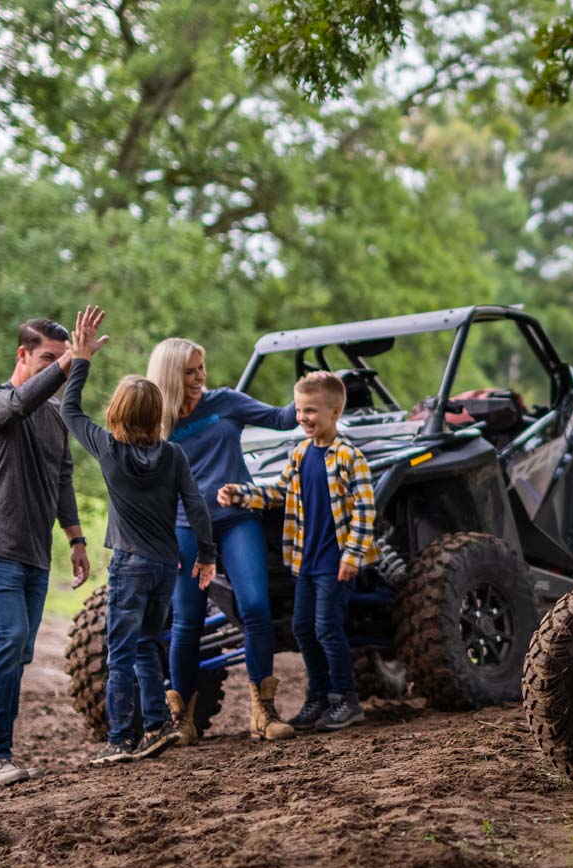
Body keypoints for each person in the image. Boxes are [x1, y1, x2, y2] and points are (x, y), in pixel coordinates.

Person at [60, 306, 218, 765]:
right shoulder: (173, 455)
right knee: (148, 646)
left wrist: (81, 358)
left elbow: (69, 410)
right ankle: (157, 725)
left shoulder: (109, 450)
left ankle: (119, 739)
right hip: (166, 567)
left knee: (120, 653)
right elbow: (196, 506)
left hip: (129, 565)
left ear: (116, 412)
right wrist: (206, 554)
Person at [148, 336, 299, 742]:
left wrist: (310, 390)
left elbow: (282, 418)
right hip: (185, 528)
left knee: (255, 607)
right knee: (187, 621)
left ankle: (263, 712)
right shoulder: (156, 421)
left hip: (236, 519)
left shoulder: (226, 402)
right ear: (170, 375)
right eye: (189, 371)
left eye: (201, 368)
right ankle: (182, 719)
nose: (200, 377)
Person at [0, 318, 91, 789]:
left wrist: (76, 540)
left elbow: (63, 479)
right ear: (22, 355)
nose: (55, 368)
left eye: (60, 358)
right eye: (46, 359)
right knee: (9, 638)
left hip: (37, 554)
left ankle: (0, 754)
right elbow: (21, 403)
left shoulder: (55, 417)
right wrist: (71, 361)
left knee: (18, 651)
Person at [218, 371, 377, 733]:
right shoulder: (301, 453)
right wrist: (241, 494)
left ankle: (345, 698)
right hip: (305, 560)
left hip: (335, 561)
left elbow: (365, 510)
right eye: (300, 410)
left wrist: (353, 555)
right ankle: (317, 696)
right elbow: (278, 491)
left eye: (311, 411)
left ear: (335, 412)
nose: (303, 418)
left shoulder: (349, 457)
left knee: (327, 629)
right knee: (302, 627)